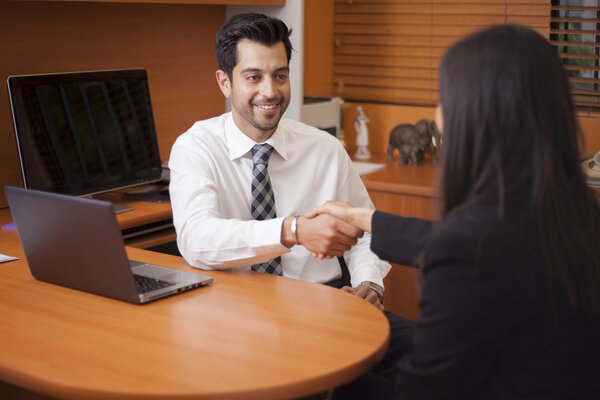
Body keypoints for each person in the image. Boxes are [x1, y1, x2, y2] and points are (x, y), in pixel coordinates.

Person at [312, 24, 600, 399]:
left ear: (476, 115)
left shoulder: (473, 244)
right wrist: (363, 218)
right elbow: (467, 243)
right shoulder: (571, 209)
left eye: (444, 99)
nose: (438, 115)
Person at [168, 13, 413, 382]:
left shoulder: (324, 149)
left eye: (280, 75)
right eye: (254, 77)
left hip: (328, 307)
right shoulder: (196, 148)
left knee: (446, 354)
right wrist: (292, 230)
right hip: (235, 318)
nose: (270, 91)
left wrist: (369, 284)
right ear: (225, 82)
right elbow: (196, 239)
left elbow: (367, 232)